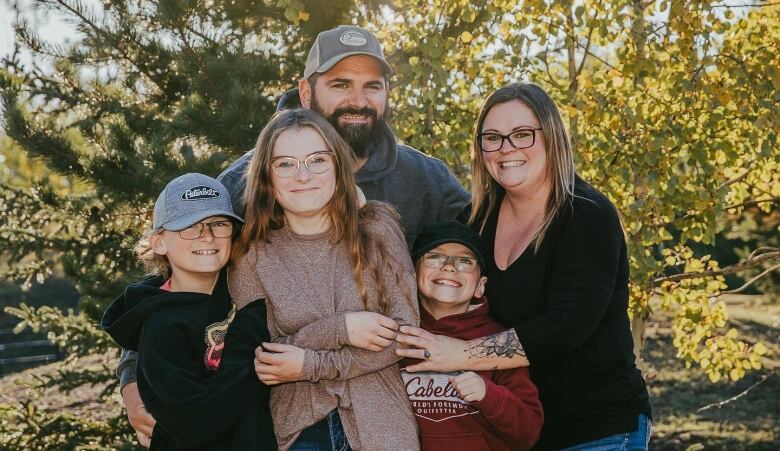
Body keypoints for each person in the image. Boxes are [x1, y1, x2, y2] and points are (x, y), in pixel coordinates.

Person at [118, 24, 470, 441]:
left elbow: (492, 240)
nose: (358, 100)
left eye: (371, 85)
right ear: (306, 92)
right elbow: (185, 268)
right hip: (294, 420)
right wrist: (132, 374)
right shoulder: (245, 187)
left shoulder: (421, 180)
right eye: (341, 84)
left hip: (382, 415)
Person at [395, 82, 652, 450]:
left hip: (598, 427)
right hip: (516, 430)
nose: (507, 148)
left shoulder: (586, 215)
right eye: (493, 137)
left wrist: (461, 354)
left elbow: (566, 326)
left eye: (522, 134)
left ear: (551, 138)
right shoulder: (477, 221)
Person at [228, 108, 420, 450]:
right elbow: (265, 359)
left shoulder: (376, 230)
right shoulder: (252, 256)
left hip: (382, 426)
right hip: (301, 430)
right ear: (267, 179)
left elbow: (404, 338)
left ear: (337, 167)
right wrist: (342, 328)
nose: (303, 175)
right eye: (285, 163)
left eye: (317, 159)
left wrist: (310, 364)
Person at [101, 173, 277, 450]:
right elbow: (192, 420)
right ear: (158, 242)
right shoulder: (158, 322)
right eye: (190, 227)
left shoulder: (244, 294)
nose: (207, 236)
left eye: (219, 224)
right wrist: (255, 363)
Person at [403, 221, 543, 451]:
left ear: (480, 286)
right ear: (414, 273)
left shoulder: (498, 342)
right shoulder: (400, 335)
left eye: (465, 261)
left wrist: (489, 395)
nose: (449, 267)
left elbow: (528, 431)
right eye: (435, 256)